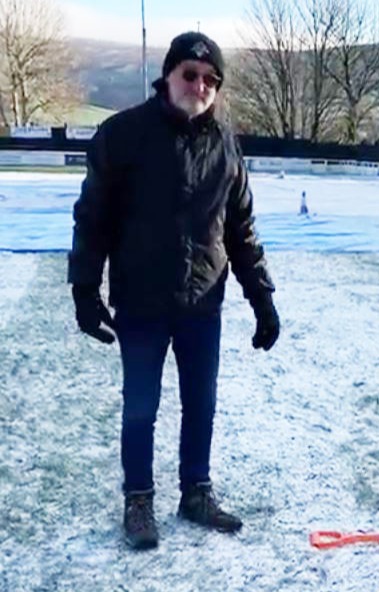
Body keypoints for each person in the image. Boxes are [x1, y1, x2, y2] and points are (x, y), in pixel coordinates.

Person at [68, 31, 280, 550]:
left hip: (202, 303)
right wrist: (84, 289)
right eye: (191, 74)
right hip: (141, 301)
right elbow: (93, 218)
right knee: (141, 405)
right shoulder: (122, 136)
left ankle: (196, 491)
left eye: (211, 80)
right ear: (168, 75)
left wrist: (262, 297)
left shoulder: (227, 144)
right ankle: (138, 499)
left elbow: (241, 229)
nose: (201, 86)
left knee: (200, 403)